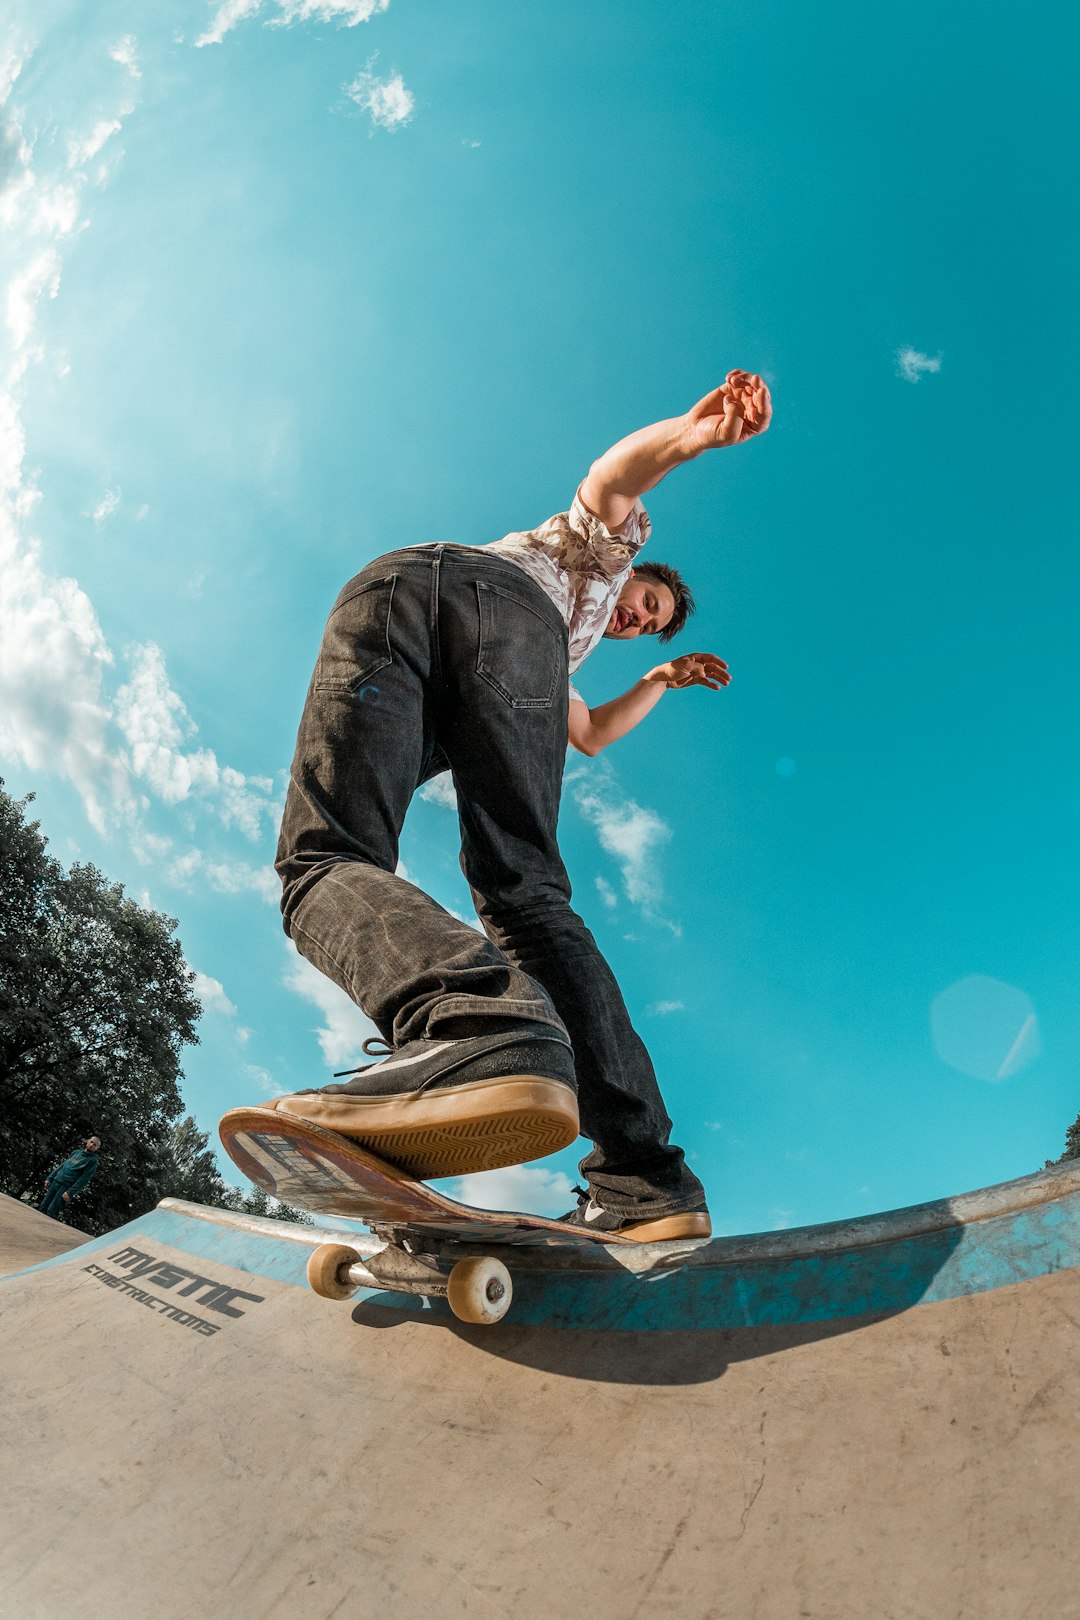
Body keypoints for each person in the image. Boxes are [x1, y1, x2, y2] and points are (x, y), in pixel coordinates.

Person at [266, 370, 772, 1240]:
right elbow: (615, 477)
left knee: (326, 857)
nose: (635, 622)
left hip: (402, 600)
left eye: (648, 626)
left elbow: (589, 732)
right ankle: (640, 1171)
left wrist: (657, 678)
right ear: (635, 570)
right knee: (525, 894)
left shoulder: (563, 656)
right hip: (486, 601)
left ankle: (477, 1031)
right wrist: (687, 442)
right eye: (645, 607)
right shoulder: (596, 553)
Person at [40, 1137, 101, 1219]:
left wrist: (70, 1192)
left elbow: (84, 1179)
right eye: (91, 1142)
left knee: (51, 1212)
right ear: (87, 1141)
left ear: (97, 1148)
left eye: (94, 1145)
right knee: (42, 1207)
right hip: (56, 1181)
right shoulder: (76, 1153)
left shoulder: (92, 1161)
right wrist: (49, 1178)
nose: (91, 1145)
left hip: (65, 1187)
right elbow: (62, 1165)